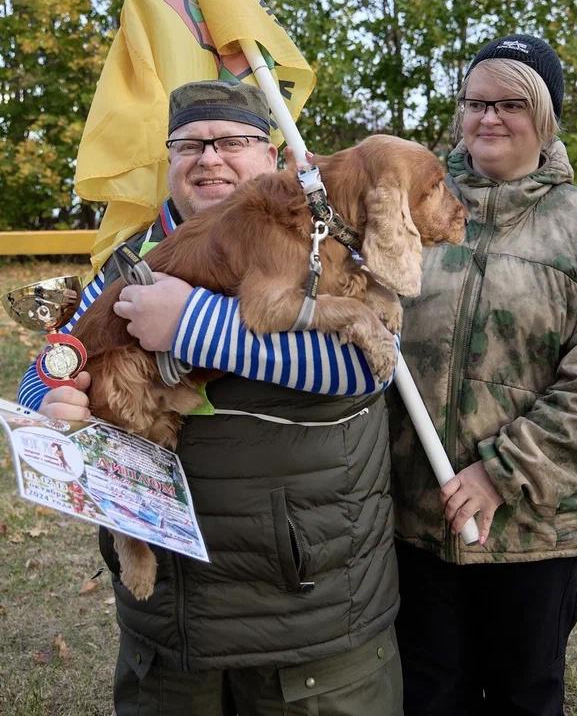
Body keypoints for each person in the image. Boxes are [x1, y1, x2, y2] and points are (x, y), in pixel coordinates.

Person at [18, 80, 403, 716]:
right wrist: (50, 397)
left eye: (232, 141)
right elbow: (56, 357)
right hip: (174, 614)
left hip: (305, 607)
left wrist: (188, 323)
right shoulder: (131, 257)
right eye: (189, 144)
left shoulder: (330, 238)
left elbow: (365, 367)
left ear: (275, 155)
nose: (209, 157)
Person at [387, 34, 577, 715]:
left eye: (510, 103)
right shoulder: (409, 207)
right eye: (475, 102)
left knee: (522, 697)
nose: (488, 118)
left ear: (544, 115)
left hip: (532, 529)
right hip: (413, 520)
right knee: (426, 694)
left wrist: (498, 474)